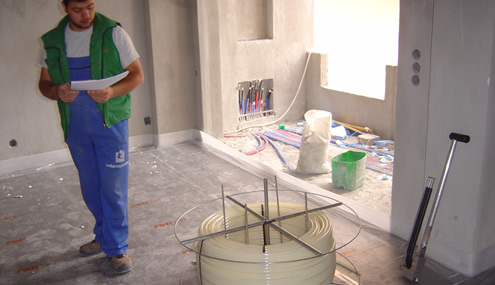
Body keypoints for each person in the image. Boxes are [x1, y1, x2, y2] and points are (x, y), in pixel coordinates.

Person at [38, 0, 144, 274]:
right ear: (64, 7)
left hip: (111, 124)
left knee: (114, 188)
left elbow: (136, 76)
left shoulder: (113, 34)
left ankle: (117, 248)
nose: (85, 15)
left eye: (90, 6)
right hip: (77, 126)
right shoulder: (51, 41)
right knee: (91, 188)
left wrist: (111, 92)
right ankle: (103, 236)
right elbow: (44, 84)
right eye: (77, 9)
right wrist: (57, 92)